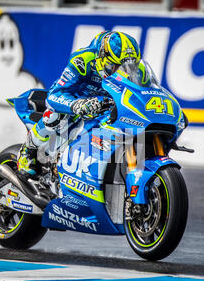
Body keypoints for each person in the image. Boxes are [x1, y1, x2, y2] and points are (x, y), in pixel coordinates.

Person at [16, 31, 141, 179]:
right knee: (55, 116)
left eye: (126, 68)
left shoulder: (135, 72)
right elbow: (54, 95)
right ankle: (29, 150)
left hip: (105, 108)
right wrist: (77, 104)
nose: (119, 73)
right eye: (114, 66)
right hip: (76, 101)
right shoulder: (83, 60)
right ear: (102, 57)